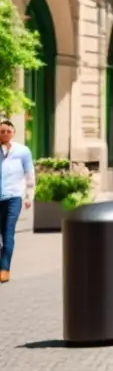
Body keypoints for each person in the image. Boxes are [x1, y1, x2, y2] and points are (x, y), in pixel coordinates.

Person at [0, 119, 35, 283]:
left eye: (8, 131)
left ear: (13, 133)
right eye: (2, 131)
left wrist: (29, 195)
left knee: (8, 233)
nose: (5, 134)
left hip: (14, 197)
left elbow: (29, 175)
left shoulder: (22, 151)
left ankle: (4, 269)